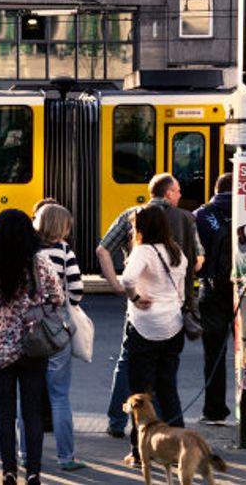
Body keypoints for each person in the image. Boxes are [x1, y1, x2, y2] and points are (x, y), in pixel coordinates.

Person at [96, 173, 204, 439]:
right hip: (173, 318)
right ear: (168, 194)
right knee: (167, 382)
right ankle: (173, 436)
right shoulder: (186, 220)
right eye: (177, 190)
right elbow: (198, 260)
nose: (179, 195)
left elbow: (103, 250)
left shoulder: (133, 216)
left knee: (132, 371)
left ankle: (121, 425)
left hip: (142, 317)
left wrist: (122, 289)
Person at [0, 209, 64, 485]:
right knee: (32, 411)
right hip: (34, 346)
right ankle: (34, 472)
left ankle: (8, 471)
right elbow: (57, 297)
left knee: (4, 412)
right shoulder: (40, 262)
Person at [18, 204, 86, 471]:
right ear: (62, 226)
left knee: (28, 396)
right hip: (56, 330)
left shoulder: (26, 251)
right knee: (59, 396)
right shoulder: (64, 251)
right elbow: (77, 292)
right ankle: (65, 457)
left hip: (28, 330)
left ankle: (24, 453)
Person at [121, 205, 188, 467]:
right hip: (173, 326)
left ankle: (139, 453)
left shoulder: (144, 251)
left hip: (145, 328)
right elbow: (181, 293)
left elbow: (127, 280)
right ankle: (179, 449)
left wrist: (136, 298)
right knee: (168, 389)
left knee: (140, 395)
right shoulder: (176, 252)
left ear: (142, 228)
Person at [193, 173, 233, 425]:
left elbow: (194, 258)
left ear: (216, 189)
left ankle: (214, 411)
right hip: (244, 289)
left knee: (214, 353)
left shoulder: (200, 215)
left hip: (212, 289)